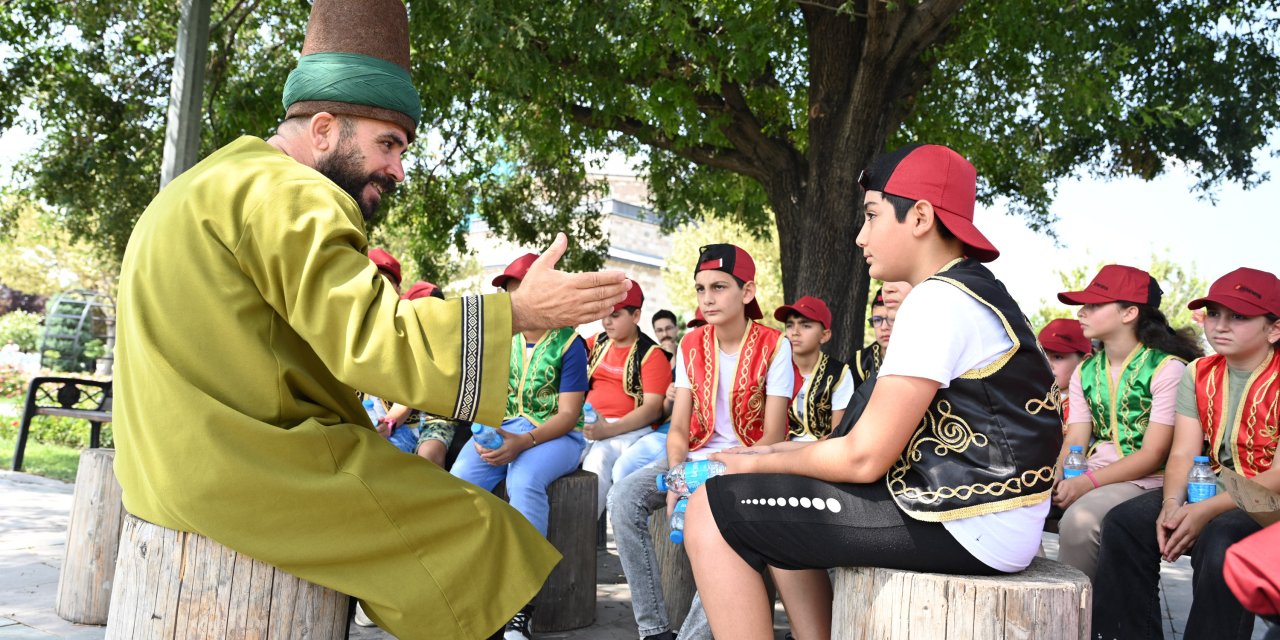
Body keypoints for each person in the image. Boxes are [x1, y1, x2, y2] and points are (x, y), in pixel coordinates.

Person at [109, 2, 629, 638]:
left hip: (164, 466)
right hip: (244, 468)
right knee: (480, 534)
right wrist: (519, 311)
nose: (399, 169)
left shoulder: (204, 183)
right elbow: (377, 340)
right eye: (388, 143)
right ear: (323, 129)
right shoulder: (293, 194)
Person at [679, 144, 1063, 640]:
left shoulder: (938, 301)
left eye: (872, 215)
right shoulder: (969, 290)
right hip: (982, 513)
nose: (861, 236)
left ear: (920, 216)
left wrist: (755, 461)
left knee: (714, 507)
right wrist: (775, 452)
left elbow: (863, 459)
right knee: (775, 504)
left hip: (970, 522)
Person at [608, 243, 795, 640]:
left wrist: (708, 478)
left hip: (747, 465)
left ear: (747, 292)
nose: (707, 299)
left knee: (711, 528)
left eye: (719, 287)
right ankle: (655, 630)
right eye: (700, 289)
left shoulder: (775, 345)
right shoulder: (692, 344)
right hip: (691, 458)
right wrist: (679, 475)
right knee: (622, 497)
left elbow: (773, 437)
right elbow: (677, 429)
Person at [1092, 268, 1280, 640]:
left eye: (1239, 316)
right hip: (1214, 486)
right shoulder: (1198, 371)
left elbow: (1277, 476)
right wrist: (1173, 504)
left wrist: (1204, 510)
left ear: (1274, 329)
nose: (1220, 326)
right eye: (1213, 314)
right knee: (1125, 523)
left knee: (1222, 538)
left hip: (1271, 497)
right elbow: (1182, 453)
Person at [451, 253, 591, 639]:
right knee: (459, 480)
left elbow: (568, 415)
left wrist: (522, 443)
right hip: (506, 427)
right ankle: (467, 585)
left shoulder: (570, 343)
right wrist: (487, 431)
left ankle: (521, 605)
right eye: (510, 294)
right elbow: (488, 395)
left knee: (525, 480)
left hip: (558, 435)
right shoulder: (503, 339)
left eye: (520, 292)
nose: (513, 303)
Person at [1053, 264, 1202, 580]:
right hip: (1097, 471)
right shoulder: (1086, 371)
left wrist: (1086, 483)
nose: (1081, 313)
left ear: (1129, 313)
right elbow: (1076, 438)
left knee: (1081, 520)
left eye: (1094, 305)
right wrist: (1055, 473)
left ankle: (1081, 619)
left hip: (1149, 479)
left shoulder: (1167, 369)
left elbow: (1153, 455)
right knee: (1016, 503)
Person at [582, 281, 673, 520]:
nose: (606, 321)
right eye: (604, 315)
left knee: (598, 460)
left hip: (627, 429)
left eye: (614, 315)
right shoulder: (598, 342)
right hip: (589, 422)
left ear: (636, 315)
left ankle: (584, 531)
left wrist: (608, 430)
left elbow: (653, 409)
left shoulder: (652, 355)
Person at [774, 296, 854, 441]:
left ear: (824, 335)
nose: (795, 332)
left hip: (822, 456)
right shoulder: (774, 369)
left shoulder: (839, 374)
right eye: (790, 325)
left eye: (806, 325)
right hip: (776, 451)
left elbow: (837, 435)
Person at [1037, 317, 1092, 426]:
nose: (1047, 364)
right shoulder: (1029, 395)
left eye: (1058, 357)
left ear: (1085, 362)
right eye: (1042, 355)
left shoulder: (1092, 404)